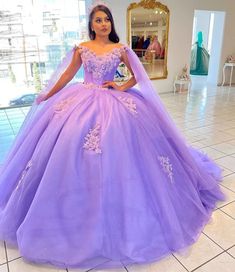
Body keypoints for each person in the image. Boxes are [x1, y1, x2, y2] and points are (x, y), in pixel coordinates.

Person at [0, 3, 225, 270]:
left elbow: (138, 75)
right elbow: (68, 75)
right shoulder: (82, 48)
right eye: (98, 20)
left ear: (110, 23)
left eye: (106, 19)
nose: (103, 24)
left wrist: (120, 86)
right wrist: (48, 94)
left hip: (113, 101)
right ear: (91, 25)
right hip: (81, 98)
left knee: (125, 148)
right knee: (67, 143)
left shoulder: (121, 49)